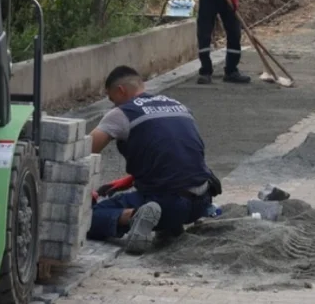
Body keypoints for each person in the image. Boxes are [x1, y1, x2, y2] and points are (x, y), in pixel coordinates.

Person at [87, 66, 220, 254]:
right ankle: (168, 225)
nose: (113, 105)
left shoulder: (122, 113)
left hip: (169, 204)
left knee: (89, 218)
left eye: (112, 99)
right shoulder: (179, 106)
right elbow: (177, 154)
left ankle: (134, 216)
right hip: (202, 201)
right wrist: (131, 180)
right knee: (163, 194)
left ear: (121, 91)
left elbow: (81, 151)